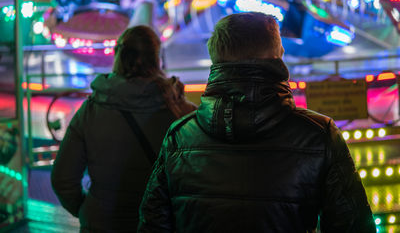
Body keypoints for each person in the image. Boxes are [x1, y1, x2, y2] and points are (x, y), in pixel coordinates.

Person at [137, 12, 376, 233]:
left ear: (216, 59)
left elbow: (153, 223)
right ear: (278, 59)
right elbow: (352, 225)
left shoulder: (179, 136)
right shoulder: (319, 134)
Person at [51, 25, 196, 232]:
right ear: (157, 58)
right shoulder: (180, 111)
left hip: (102, 223)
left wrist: (88, 209)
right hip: (159, 224)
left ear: (118, 55)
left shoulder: (91, 110)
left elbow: (62, 179)